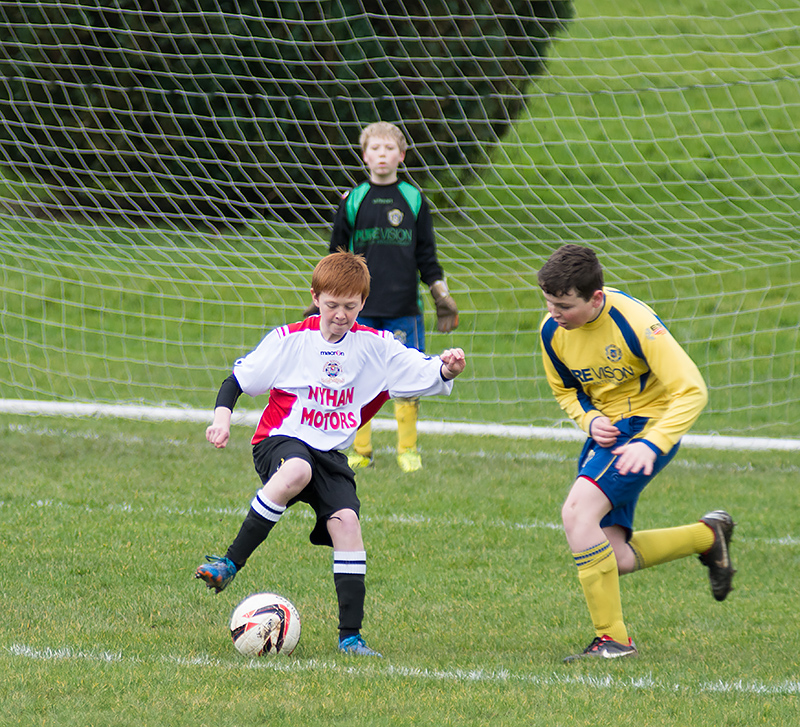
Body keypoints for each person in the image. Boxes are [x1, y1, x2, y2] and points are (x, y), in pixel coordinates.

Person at [195, 251, 466, 657]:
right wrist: (222, 420)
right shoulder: (289, 340)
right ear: (316, 297)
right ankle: (230, 564)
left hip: (331, 454)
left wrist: (448, 368)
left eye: (351, 306)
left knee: (348, 525)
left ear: (362, 303)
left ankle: (350, 638)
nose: (341, 314)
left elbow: (425, 371)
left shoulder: (377, 347)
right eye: (332, 304)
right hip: (279, 440)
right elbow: (235, 381)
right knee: (298, 470)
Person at [537, 244, 736, 662]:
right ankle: (707, 535)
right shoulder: (551, 332)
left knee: (576, 514)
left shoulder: (636, 322)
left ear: (595, 297)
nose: (554, 313)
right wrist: (589, 420)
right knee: (616, 557)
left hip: (648, 427)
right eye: (550, 303)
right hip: (608, 435)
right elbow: (566, 390)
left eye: (564, 305)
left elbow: (692, 388)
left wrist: (652, 442)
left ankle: (613, 639)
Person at [328, 121, 458, 474]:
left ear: (401, 156)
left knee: (407, 377)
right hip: (359, 309)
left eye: (389, 149)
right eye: (375, 149)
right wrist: (327, 299)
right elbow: (337, 254)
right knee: (355, 377)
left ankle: (408, 449)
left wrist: (440, 294)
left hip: (404, 308)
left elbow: (427, 256)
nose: (381, 155)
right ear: (364, 155)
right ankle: (361, 448)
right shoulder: (352, 200)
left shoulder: (414, 200)